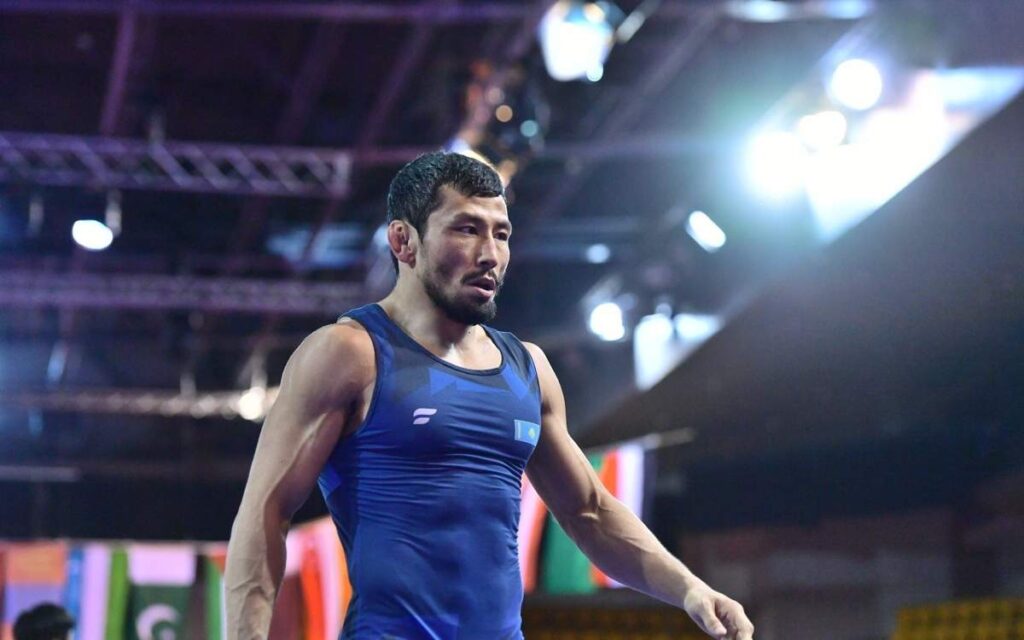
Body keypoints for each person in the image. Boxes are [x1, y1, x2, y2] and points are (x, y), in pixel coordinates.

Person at [225, 151, 754, 640]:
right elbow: (265, 513)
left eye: (501, 234)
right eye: (466, 229)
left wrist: (690, 589)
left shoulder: (528, 370)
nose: (490, 255)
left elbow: (589, 512)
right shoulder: (349, 353)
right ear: (403, 242)